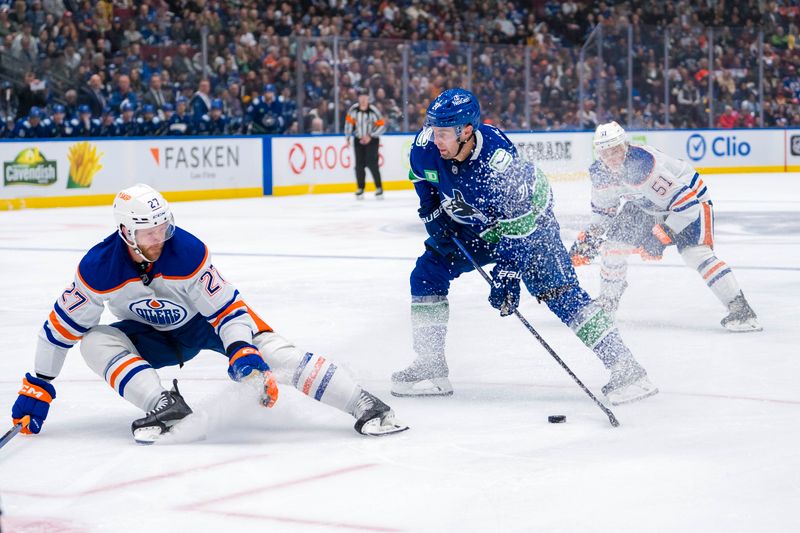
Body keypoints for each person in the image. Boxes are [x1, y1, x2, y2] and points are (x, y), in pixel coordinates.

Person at [10, 184, 407, 444]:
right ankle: (161, 403)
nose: (160, 238)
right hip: (152, 335)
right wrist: (38, 382)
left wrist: (241, 350)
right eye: (149, 232)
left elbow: (228, 308)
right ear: (127, 233)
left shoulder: (187, 251)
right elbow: (58, 329)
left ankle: (364, 404)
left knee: (274, 355)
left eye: (163, 227)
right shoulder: (98, 268)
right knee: (94, 341)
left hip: (204, 323)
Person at [391, 88, 657, 406]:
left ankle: (627, 368)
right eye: (434, 131)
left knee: (561, 294)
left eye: (444, 134)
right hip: (475, 226)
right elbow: (420, 176)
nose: (437, 140)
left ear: (466, 131)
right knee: (426, 274)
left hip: (531, 224)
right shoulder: (425, 146)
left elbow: (518, 226)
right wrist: (432, 211)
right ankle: (431, 365)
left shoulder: (498, 162)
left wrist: (508, 272)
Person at [569, 121, 761, 332]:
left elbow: (687, 205)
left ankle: (741, 310)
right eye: (605, 153)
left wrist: (662, 236)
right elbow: (604, 211)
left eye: (616, 150)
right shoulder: (600, 172)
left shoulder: (642, 165)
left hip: (690, 200)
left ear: (626, 145)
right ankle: (607, 302)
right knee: (613, 246)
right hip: (648, 206)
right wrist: (591, 237)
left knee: (695, 255)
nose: (611, 157)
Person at [344, 88, 386, 200]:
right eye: (361, 97)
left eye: (365, 97)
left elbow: (382, 126)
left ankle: (379, 187)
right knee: (359, 165)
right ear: (358, 98)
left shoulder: (373, 110)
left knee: (372, 164)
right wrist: (348, 136)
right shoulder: (353, 110)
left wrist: (370, 136)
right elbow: (349, 123)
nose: (363, 99)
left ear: (368, 98)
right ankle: (360, 188)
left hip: (372, 140)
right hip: (358, 140)